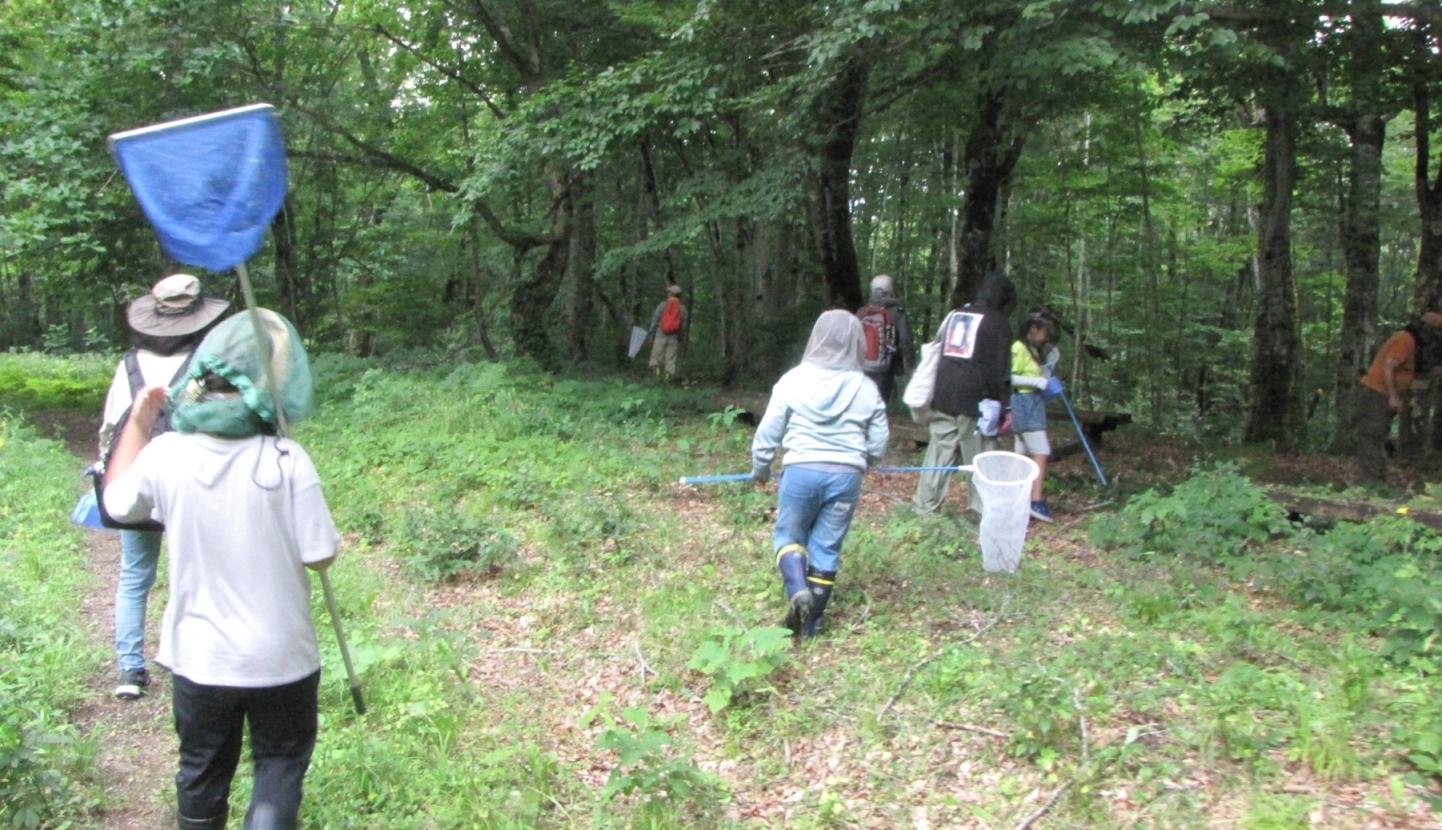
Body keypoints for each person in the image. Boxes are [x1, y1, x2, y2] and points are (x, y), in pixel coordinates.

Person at [103, 309, 337, 830]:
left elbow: (118, 505)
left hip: (200, 657)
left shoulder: (166, 454)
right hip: (283, 656)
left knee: (202, 773)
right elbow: (319, 556)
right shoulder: (286, 458)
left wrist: (140, 422)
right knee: (278, 766)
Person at [99, 274, 229, 700]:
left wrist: (107, 468)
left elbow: (111, 426)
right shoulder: (206, 364)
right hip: (190, 480)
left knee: (135, 575)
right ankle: (187, 661)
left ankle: (130, 671)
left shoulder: (129, 364)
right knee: (192, 571)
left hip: (137, 476)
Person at [752, 310, 889, 638]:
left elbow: (769, 431)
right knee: (826, 547)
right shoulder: (866, 388)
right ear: (857, 342)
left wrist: (761, 467)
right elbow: (880, 438)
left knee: (788, 536)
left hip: (800, 471)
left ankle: (797, 588)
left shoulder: (792, 380)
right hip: (846, 477)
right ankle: (810, 624)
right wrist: (867, 460)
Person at [913, 272, 1016, 515]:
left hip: (943, 392)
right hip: (975, 400)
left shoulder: (955, 315)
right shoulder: (997, 321)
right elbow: (1000, 371)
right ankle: (982, 509)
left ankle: (924, 506)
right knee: (980, 455)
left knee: (939, 451)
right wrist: (1003, 407)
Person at [1356, 312, 1442, 483]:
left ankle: (1376, 477)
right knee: (1372, 434)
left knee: (1378, 435)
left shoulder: (1414, 344)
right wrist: (1393, 397)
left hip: (1385, 394)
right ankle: (1372, 481)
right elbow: (1389, 367)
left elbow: (1412, 374)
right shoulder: (1405, 339)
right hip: (1378, 393)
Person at [1010, 309, 1064, 523]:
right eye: (1044, 333)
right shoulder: (1018, 348)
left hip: (1033, 403)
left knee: (1019, 451)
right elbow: (1010, 377)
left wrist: (1047, 382)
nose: (1046, 338)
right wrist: (1036, 382)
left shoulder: (1034, 351)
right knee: (1041, 450)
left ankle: (1014, 498)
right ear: (1033, 329)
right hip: (1023, 404)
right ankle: (1035, 500)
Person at [855, 274, 914, 402]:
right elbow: (905, 340)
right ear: (891, 291)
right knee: (880, 401)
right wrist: (910, 366)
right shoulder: (897, 312)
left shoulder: (861, 312)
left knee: (861, 400)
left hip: (861, 365)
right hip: (885, 367)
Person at [647, 285, 689, 380]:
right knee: (670, 360)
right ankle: (668, 379)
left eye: (669, 292)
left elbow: (655, 320)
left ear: (671, 294)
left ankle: (654, 379)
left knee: (656, 358)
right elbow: (683, 327)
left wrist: (651, 334)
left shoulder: (662, 305)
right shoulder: (683, 309)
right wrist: (681, 338)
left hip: (660, 336)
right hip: (673, 338)